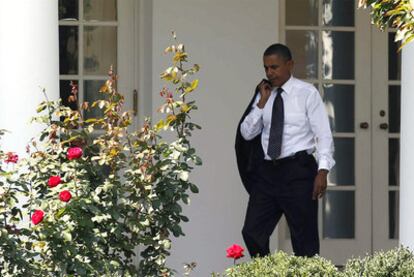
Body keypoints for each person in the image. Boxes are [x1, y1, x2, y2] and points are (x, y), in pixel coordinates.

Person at [235, 43, 335, 258]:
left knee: (304, 239)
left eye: (274, 67)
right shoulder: (264, 94)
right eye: (266, 68)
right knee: (252, 232)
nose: (270, 72)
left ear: (289, 65)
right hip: (267, 173)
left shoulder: (307, 93)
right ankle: (267, 272)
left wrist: (323, 170)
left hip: (298, 171)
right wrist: (261, 103)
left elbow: (323, 134)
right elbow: (246, 133)